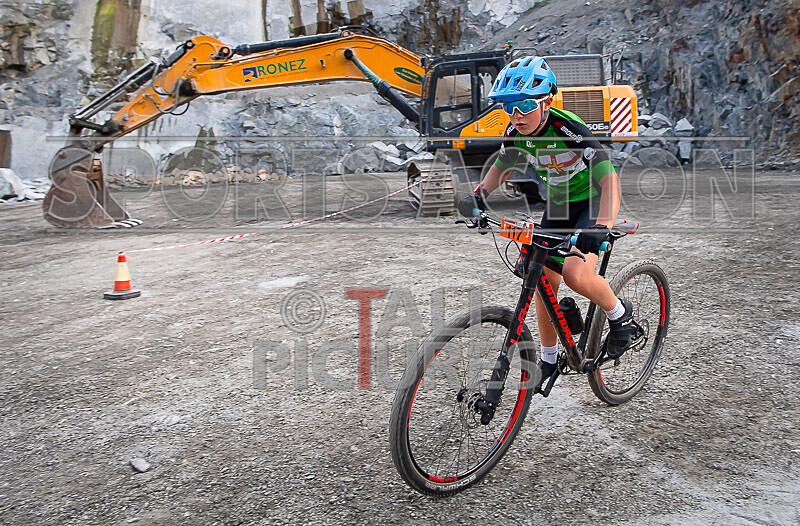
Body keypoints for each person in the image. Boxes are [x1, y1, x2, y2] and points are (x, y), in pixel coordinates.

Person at [458, 55, 639, 392]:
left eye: (525, 105)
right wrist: (480, 195)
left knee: (575, 275)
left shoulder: (568, 129)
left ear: (547, 101)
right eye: (509, 107)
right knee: (540, 276)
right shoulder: (517, 132)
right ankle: (550, 358)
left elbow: (609, 180)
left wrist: (598, 226)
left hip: (592, 201)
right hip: (559, 205)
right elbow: (503, 165)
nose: (517, 115)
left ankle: (620, 316)